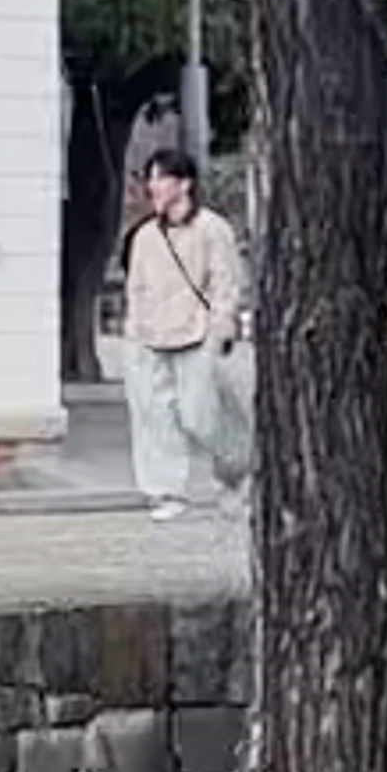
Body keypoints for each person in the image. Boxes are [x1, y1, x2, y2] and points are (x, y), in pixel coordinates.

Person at [117, 142, 250, 509]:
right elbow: (137, 288)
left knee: (200, 416)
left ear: (184, 184)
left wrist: (219, 328)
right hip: (151, 338)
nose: (152, 187)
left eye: (160, 178)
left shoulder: (212, 229)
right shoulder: (145, 236)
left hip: (197, 335)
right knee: (156, 417)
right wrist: (134, 334)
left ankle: (237, 467)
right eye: (150, 179)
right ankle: (166, 490)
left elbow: (226, 283)